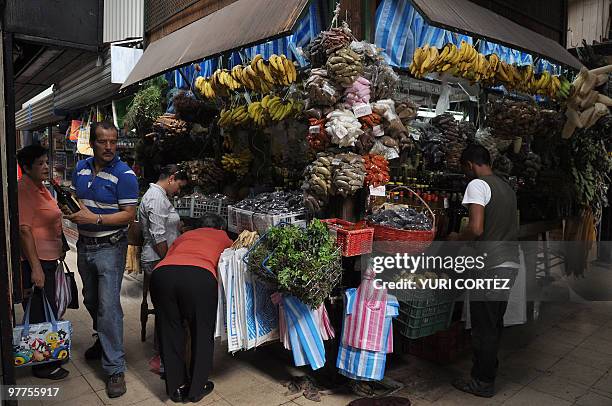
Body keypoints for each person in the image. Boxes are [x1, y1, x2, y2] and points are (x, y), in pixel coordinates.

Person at [65, 121, 139, 398]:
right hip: (84, 245)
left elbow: (129, 215)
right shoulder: (81, 169)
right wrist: (71, 208)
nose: (109, 147)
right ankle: (103, 340)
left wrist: (94, 218)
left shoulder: (125, 174)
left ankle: (115, 368)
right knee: (92, 301)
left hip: (110, 246)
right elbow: (76, 198)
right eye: (102, 141)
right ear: (92, 143)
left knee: (108, 307)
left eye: (113, 141)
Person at [448, 144, 519, 398]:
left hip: (491, 266)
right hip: (510, 263)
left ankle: (482, 382)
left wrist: (458, 238)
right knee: (493, 324)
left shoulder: (477, 185)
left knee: (483, 327)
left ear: (469, 165)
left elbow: (476, 229)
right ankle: (487, 372)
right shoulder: (506, 188)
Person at [150, 214, 232, 403]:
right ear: (221, 228)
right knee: (201, 333)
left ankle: (175, 388)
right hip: (199, 276)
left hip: (162, 274)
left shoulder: (184, 237)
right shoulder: (223, 237)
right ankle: (196, 388)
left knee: (169, 331)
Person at [17, 145, 69, 380]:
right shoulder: (24, 190)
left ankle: (50, 354)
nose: (46, 167)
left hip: (49, 259)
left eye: (46, 162)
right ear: (26, 168)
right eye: (40, 163)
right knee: (38, 312)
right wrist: (36, 267)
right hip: (36, 262)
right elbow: (24, 230)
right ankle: (42, 365)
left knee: (47, 309)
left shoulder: (41, 188)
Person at [139, 164, 188, 274]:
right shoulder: (156, 197)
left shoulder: (160, 195)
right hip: (157, 258)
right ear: (171, 179)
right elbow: (158, 235)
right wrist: (167, 261)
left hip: (160, 257)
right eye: (179, 186)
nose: (179, 191)